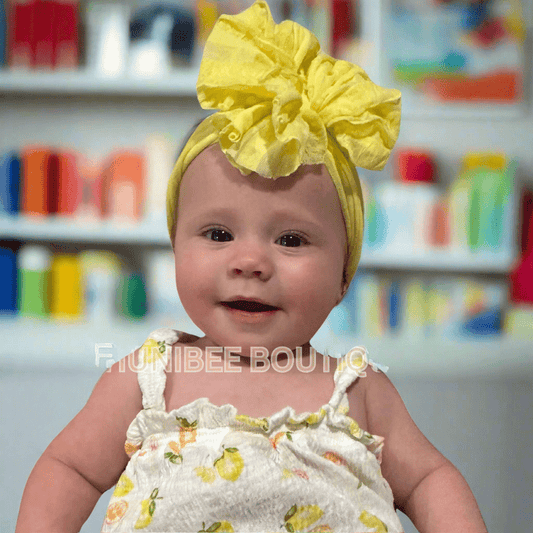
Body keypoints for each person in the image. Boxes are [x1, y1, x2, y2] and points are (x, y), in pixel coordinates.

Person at [16, 1, 488, 532]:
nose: (250, 262)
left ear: (343, 277)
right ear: (176, 246)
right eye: (218, 234)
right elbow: (69, 469)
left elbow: (429, 479)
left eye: (290, 239)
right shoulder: (148, 379)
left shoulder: (358, 393)